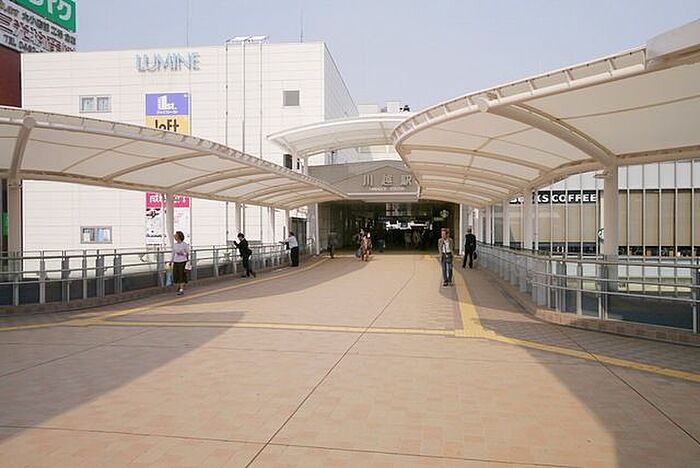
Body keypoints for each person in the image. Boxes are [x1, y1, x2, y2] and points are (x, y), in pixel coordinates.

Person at [170, 231, 190, 295]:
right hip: (176, 261)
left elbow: (188, 253)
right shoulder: (175, 245)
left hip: (182, 261)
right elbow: (173, 253)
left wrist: (182, 253)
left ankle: (181, 289)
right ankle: (180, 286)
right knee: (176, 275)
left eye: (176, 236)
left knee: (181, 275)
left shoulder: (184, 244)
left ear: (179, 236)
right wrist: (171, 261)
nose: (175, 237)